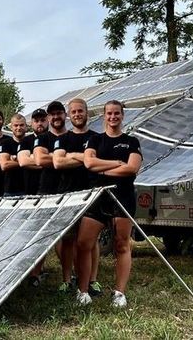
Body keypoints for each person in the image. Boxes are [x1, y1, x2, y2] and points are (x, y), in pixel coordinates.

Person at [77, 100, 142, 307]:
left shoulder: (131, 141)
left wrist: (102, 169)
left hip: (123, 196)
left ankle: (119, 293)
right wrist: (114, 165)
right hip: (98, 197)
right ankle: (83, 291)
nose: (113, 117)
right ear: (104, 116)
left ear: (122, 116)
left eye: (117, 114)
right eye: (109, 114)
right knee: (84, 243)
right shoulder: (95, 140)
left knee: (122, 244)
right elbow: (88, 163)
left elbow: (131, 168)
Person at [53, 98, 101, 295]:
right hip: (68, 195)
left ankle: (92, 280)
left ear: (86, 113)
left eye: (80, 111)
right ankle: (67, 279)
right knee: (68, 240)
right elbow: (57, 163)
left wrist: (72, 156)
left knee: (91, 241)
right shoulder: (63, 138)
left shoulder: (97, 137)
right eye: (73, 111)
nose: (77, 114)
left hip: (91, 193)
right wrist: (85, 158)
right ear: (69, 115)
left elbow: (97, 162)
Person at [16, 107, 48, 286]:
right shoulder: (26, 141)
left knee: (44, 235)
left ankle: (36, 273)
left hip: (50, 193)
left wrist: (42, 161)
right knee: (27, 234)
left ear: (48, 120)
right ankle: (25, 270)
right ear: (31, 124)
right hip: (28, 193)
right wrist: (48, 162)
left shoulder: (54, 139)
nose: (39, 123)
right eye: (36, 120)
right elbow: (23, 161)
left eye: (42, 120)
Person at [33, 101, 68, 195]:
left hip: (72, 190)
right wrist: (66, 158)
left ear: (65, 115)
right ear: (48, 118)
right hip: (47, 191)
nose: (56, 116)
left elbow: (84, 160)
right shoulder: (41, 138)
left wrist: (50, 155)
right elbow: (40, 160)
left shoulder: (73, 137)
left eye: (59, 113)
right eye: (52, 114)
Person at [0, 113, 27, 196]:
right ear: (11, 127)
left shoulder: (31, 142)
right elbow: (4, 164)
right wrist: (26, 160)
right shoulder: (5, 143)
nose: (19, 128)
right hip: (11, 191)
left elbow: (38, 161)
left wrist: (14, 159)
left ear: (26, 126)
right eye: (16, 125)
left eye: (21, 125)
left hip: (30, 190)